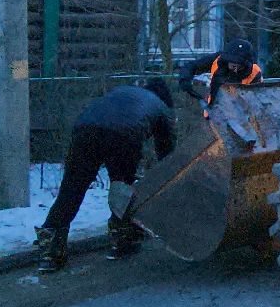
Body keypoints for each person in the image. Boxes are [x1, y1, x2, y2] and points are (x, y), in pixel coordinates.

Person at [33, 78, 176, 274]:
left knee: (72, 189)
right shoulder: (161, 107)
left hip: (85, 128)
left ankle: (50, 250)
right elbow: (168, 156)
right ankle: (122, 239)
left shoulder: (124, 91)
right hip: (124, 135)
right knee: (122, 188)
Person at [178, 37, 263, 116]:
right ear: (227, 61)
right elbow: (191, 66)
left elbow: (257, 100)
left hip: (244, 117)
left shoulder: (255, 72)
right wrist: (185, 79)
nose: (236, 70)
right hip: (214, 115)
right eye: (233, 66)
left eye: (240, 67)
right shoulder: (217, 60)